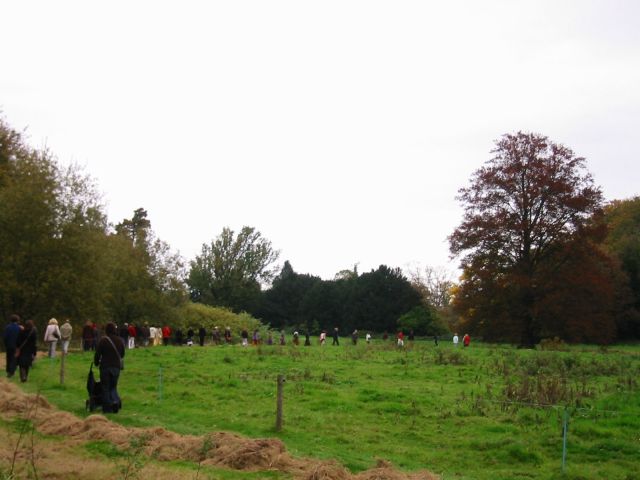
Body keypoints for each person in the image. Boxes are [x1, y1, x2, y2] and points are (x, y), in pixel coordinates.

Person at [94, 322, 125, 413]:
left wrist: (96, 363)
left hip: (105, 367)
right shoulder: (120, 340)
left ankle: (107, 408)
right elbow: (122, 354)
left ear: (106, 330)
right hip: (116, 367)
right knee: (113, 387)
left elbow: (98, 354)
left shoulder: (103, 340)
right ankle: (115, 402)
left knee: (105, 388)